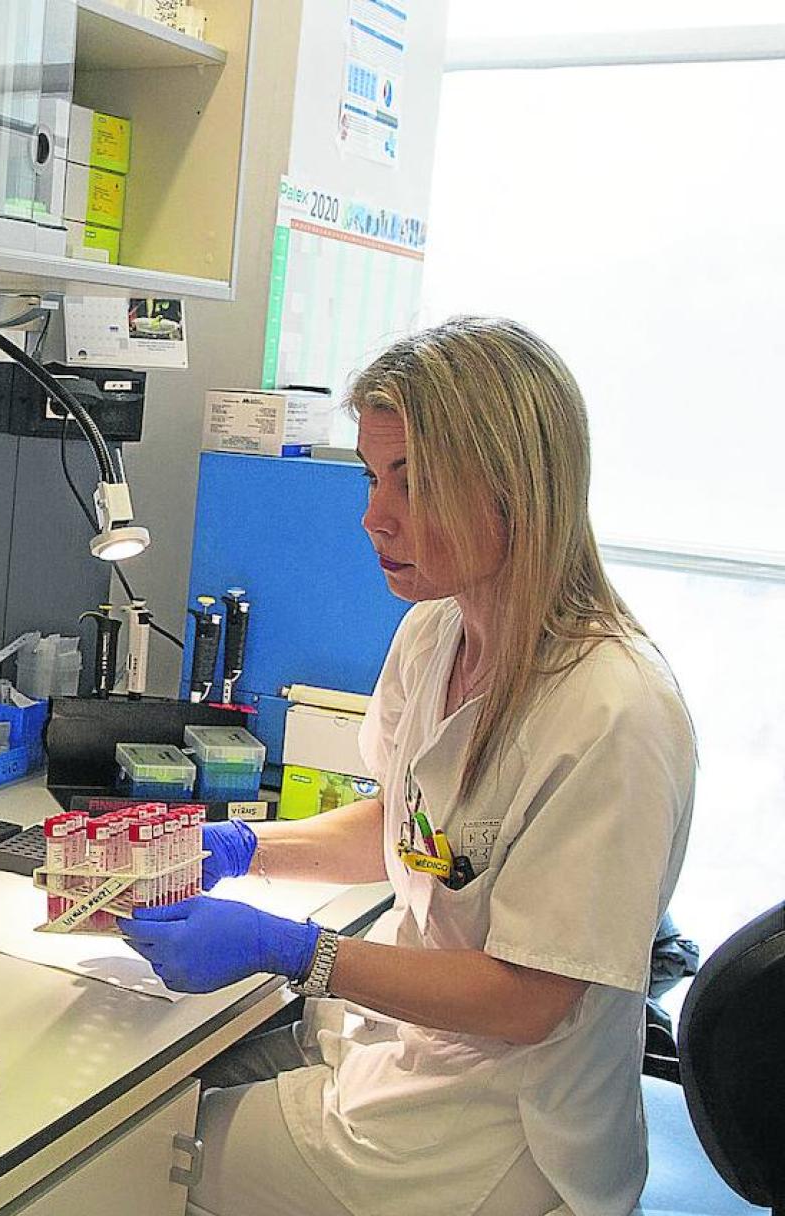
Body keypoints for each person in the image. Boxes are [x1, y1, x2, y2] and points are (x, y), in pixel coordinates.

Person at [119, 318, 694, 1216]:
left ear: (518, 490)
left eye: (413, 482)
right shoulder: (439, 628)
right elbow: (410, 830)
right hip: (403, 1060)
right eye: (371, 476)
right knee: (156, 1093)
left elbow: (527, 1000)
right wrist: (238, 848)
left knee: (128, 1163)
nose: (374, 517)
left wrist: (294, 951)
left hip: (500, 1132)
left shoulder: (613, 713)